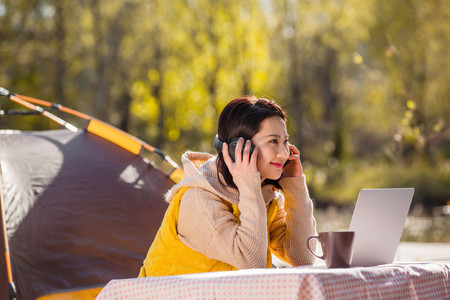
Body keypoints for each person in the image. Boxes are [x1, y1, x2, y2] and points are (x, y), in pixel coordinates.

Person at [138, 96, 317, 277]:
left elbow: (303, 257)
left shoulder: (263, 195)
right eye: (273, 141)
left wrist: (295, 186)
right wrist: (248, 182)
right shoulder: (199, 199)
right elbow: (252, 264)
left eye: (285, 142)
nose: (284, 153)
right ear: (236, 149)